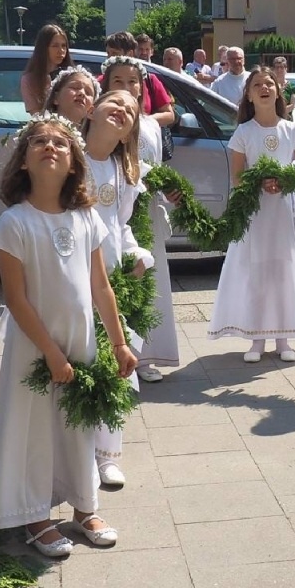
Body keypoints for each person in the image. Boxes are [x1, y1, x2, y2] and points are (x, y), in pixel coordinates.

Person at [0, 115, 136, 558]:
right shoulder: (15, 223)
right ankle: (35, 515)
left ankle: (85, 506)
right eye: (39, 143)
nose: (50, 147)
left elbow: (99, 286)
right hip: (35, 346)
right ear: (24, 161)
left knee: (77, 424)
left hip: (81, 341)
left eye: (60, 144)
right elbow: (15, 297)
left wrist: (119, 342)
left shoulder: (85, 216)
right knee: (35, 428)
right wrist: (49, 351)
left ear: (73, 164)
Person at [207, 66, 295, 362]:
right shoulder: (244, 132)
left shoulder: (292, 130)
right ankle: (256, 339)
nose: (264, 88)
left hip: (284, 211)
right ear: (248, 94)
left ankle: (284, 339)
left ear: (277, 90)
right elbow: (237, 176)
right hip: (255, 214)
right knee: (256, 272)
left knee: (284, 271)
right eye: (257, 84)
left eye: (269, 83)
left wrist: (286, 179)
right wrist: (260, 181)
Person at [82, 84, 153, 488]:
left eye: (130, 111)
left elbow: (118, 224)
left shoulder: (122, 173)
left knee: (115, 367)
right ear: (91, 110)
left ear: (129, 133)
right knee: (83, 365)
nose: (122, 110)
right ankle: (78, 451)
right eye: (114, 102)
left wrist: (135, 254)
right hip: (75, 278)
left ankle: (108, 454)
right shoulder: (72, 160)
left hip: (112, 281)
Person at [102, 57, 178, 384]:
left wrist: (167, 189)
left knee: (149, 281)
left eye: (133, 82)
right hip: (114, 212)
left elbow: (153, 165)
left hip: (144, 210)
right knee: (118, 278)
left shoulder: (149, 125)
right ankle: (115, 350)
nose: (127, 87)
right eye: (118, 81)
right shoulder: (105, 120)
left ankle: (146, 354)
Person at [105, 31, 176, 131]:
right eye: (108, 53)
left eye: (114, 53)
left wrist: (141, 122)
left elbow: (169, 115)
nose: (109, 58)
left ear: (129, 54)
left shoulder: (149, 80)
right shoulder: (102, 80)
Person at [21, 23, 73, 114]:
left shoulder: (71, 75)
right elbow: (36, 116)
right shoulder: (29, 80)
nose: (61, 50)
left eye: (63, 46)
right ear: (44, 48)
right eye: (55, 46)